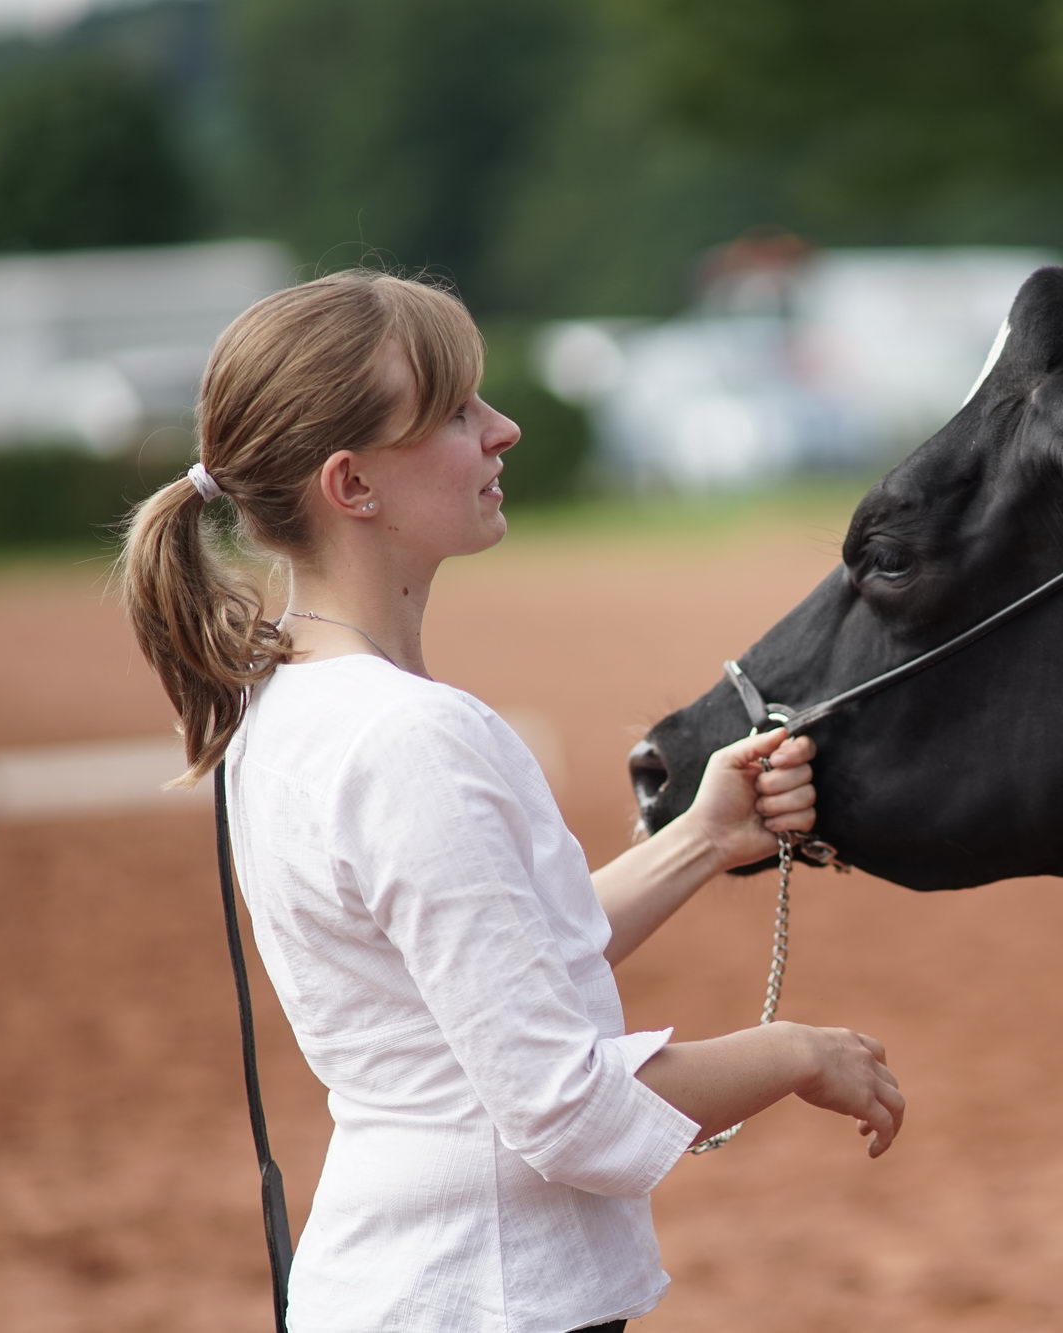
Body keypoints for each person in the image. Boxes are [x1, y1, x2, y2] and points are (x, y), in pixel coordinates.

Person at [116, 269, 904, 1333]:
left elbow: (496, 971)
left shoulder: (284, 704)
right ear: (352, 485)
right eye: (454, 412)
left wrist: (702, 838)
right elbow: (567, 1110)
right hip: (479, 1301)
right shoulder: (410, 738)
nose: (503, 429)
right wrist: (798, 1053)